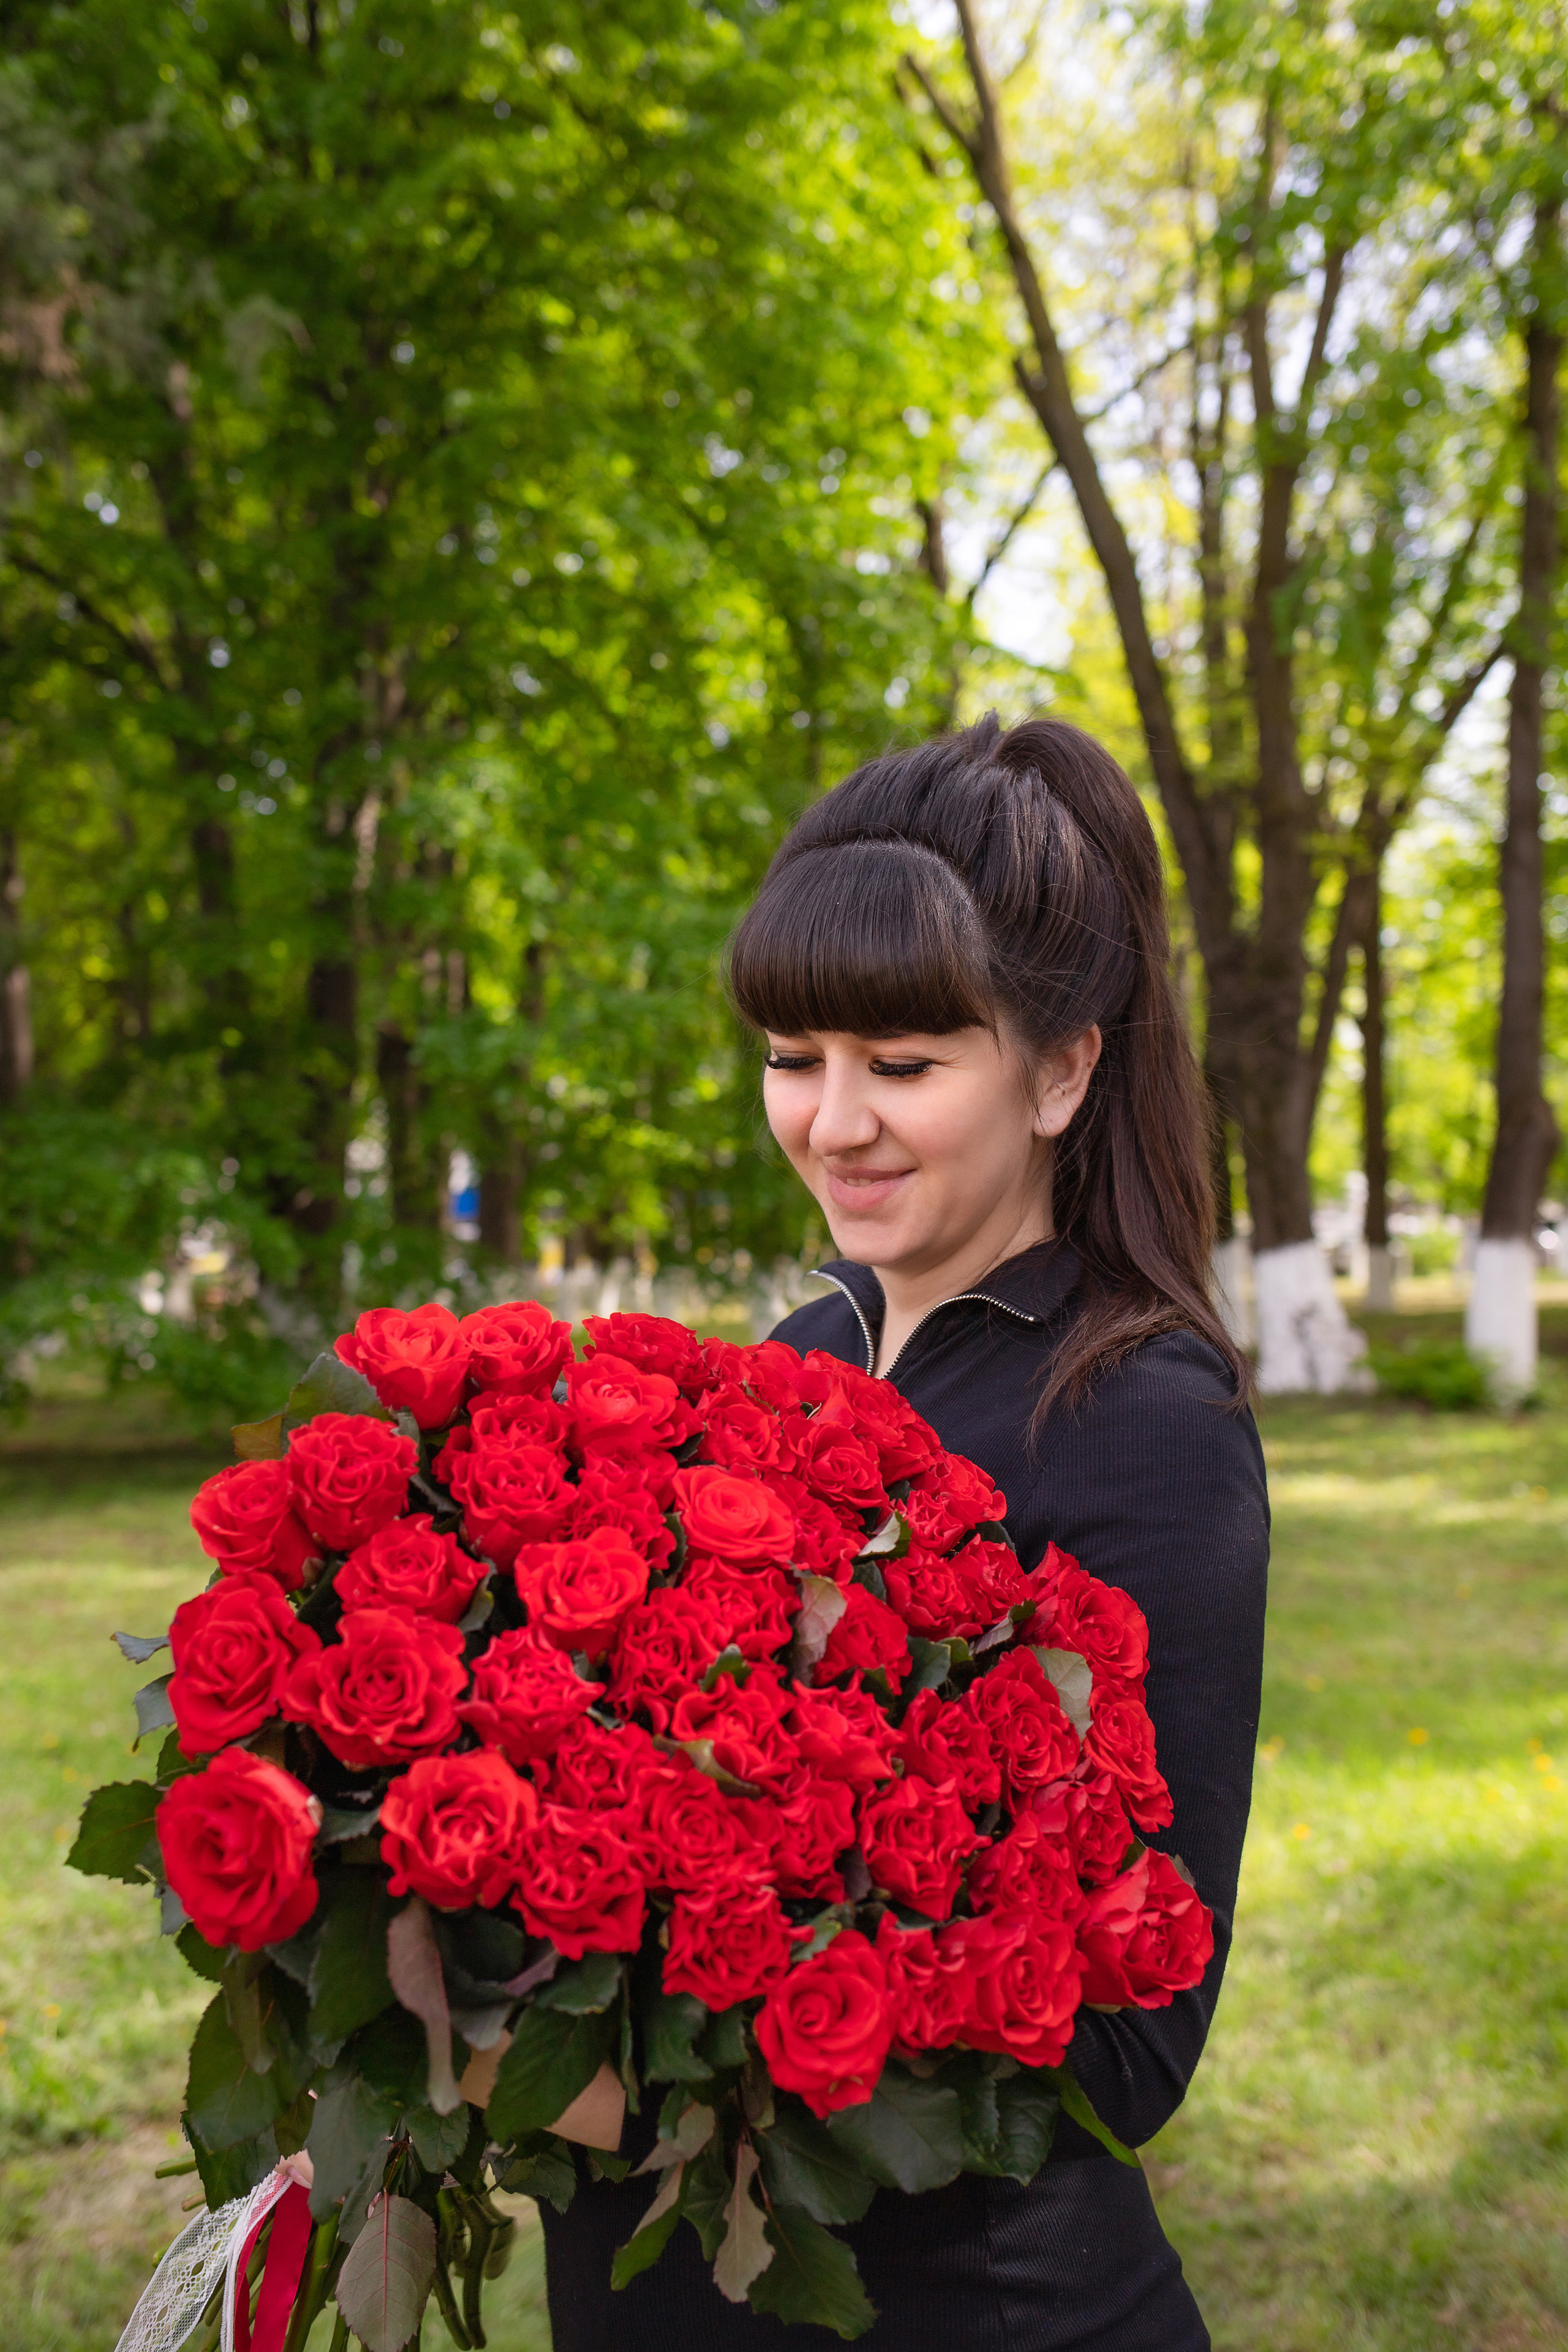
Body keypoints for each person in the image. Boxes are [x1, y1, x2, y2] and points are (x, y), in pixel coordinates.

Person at [539, 713, 1270, 2350]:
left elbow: (1121, 2058)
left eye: (905, 1064)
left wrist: (572, 2082)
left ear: (1063, 1069)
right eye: (793, 1057)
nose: (832, 1122)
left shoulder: (1146, 1424)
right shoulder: (792, 1363)